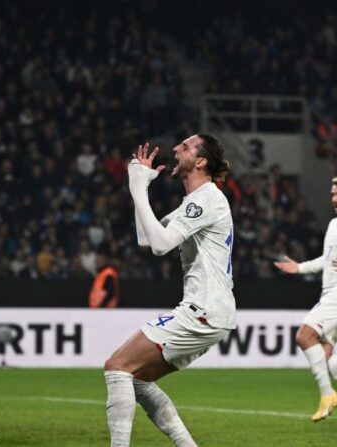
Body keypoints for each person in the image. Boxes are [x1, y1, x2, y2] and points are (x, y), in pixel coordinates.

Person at [104, 135, 235, 447]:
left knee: (116, 367)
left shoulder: (206, 199)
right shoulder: (196, 202)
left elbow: (161, 246)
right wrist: (140, 187)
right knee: (136, 378)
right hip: (210, 312)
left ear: (201, 162)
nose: (176, 149)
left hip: (203, 310)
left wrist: (137, 186)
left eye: (185, 147)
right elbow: (147, 239)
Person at [273, 175, 337, 421]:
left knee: (304, 335)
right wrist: (299, 268)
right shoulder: (333, 225)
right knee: (324, 355)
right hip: (329, 293)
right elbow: (326, 260)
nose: (334, 199)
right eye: (332, 194)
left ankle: (327, 395)